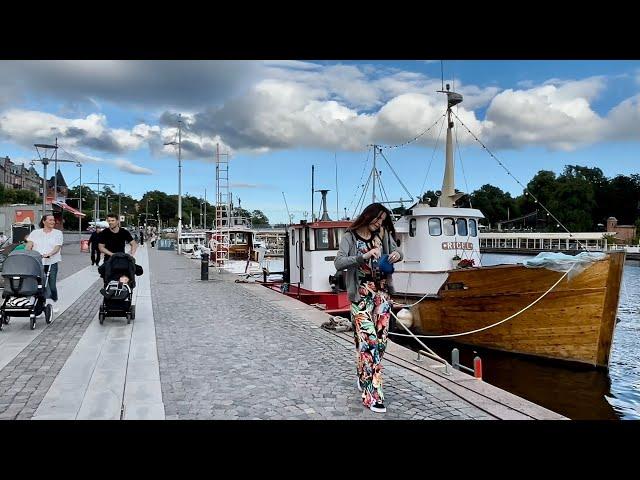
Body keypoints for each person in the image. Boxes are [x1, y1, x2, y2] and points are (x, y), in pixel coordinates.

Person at [334, 203, 403, 414]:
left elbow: (397, 251)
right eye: (377, 219)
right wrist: (362, 257)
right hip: (361, 297)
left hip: (382, 295)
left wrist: (396, 256)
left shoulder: (382, 234)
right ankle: (373, 396)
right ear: (368, 216)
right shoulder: (350, 236)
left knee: (380, 344)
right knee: (370, 343)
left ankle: (363, 373)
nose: (380, 223)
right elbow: (338, 263)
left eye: (382, 220)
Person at [25, 214, 64, 308]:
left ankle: (54, 302)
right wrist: (27, 254)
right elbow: (29, 245)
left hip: (51, 262)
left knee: (52, 286)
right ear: (44, 221)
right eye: (50, 220)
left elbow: (57, 247)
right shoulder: (35, 233)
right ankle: (38, 304)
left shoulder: (58, 233)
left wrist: (50, 254)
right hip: (37, 262)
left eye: (53, 220)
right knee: (38, 285)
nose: (53, 222)